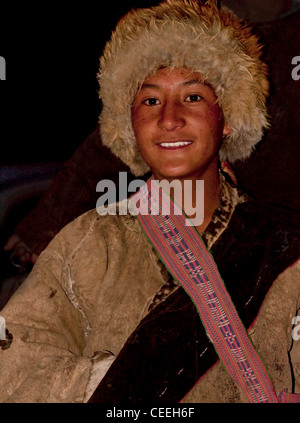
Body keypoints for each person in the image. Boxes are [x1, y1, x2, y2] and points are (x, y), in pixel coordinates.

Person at [0, 0, 299, 403]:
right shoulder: (85, 245)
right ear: (130, 123)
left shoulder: (287, 250)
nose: (169, 119)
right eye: (151, 101)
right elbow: (14, 368)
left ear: (227, 118)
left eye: (193, 97)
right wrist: (114, 382)